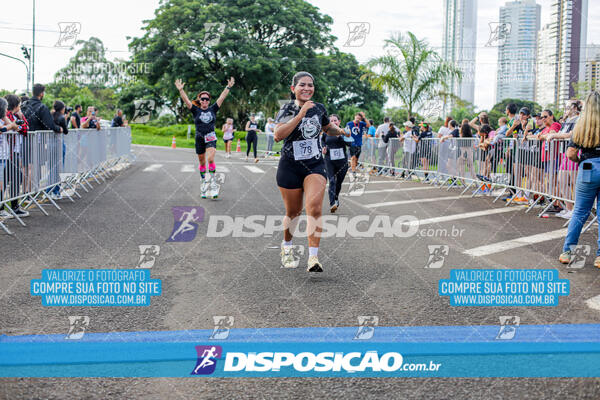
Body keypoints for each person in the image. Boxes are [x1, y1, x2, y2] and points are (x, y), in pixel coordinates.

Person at [274, 71, 346, 272]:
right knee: (293, 213)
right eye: (302, 85)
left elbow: (327, 127)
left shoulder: (319, 108)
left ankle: (313, 258)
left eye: (310, 85)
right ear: (293, 88)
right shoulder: (287, 108)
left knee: (314, 207)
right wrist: (301, 113)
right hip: (290, 166)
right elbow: (279, 135)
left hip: (314, 165)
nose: (307, 88)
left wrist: (339, 131)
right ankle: (286, 246)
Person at [175, 76, 235, 199]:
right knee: (202, 162)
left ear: (209, 100)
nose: (205, 101)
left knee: (211, 159)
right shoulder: (195, 110)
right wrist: (181, 90)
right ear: (200, 100)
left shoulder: (213, 108)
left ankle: (213, 183)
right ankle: (204, 182)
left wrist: (228, 87)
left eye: (207, 99)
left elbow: (222, 97)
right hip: (199, 138)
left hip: (211, 137)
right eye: (202, 99)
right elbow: (186, 100)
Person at [559, 91, 600, 267]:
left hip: (588, 169)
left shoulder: (580, 126)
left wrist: (581, 160)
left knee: (580, 212)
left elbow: (570, 153)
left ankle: (568, 252)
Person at [3, 94, 29, 218]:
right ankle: (7, 207)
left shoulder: (14, 115)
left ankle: (14, 206)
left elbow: (25, 129)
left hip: (13, 152)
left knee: (15, 178)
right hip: (7, 152)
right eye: (19, 103)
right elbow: (18, 129)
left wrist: (20, 117)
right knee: (6, 180)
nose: (20, 106)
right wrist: (16, 126)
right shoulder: (6, 115)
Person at [322, 114, 350, 213]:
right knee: (332, 181)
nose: (333, 123)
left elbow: (350, 143)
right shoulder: (327, 132)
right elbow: (322, 141)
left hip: (342, 162)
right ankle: (332, 203)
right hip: (329, 160)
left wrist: (341, 136)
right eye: (331, 121)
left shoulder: (345, 132)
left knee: (338, 183)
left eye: (335, 121)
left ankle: (336, 197)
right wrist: (323, 147)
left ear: (339, 121)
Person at [346, 112, 370, 178]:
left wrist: (364, 118)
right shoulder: (349, 123)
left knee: (356, 159)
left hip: (359, 143)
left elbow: (368, 125)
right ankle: (353, 171)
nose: (357, 119)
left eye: (359, 118)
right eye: (357, 118)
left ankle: (353, 168)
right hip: (352, 143)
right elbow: (346, 132)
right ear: (355, 117)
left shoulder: (361, 123)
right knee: (353, 157)